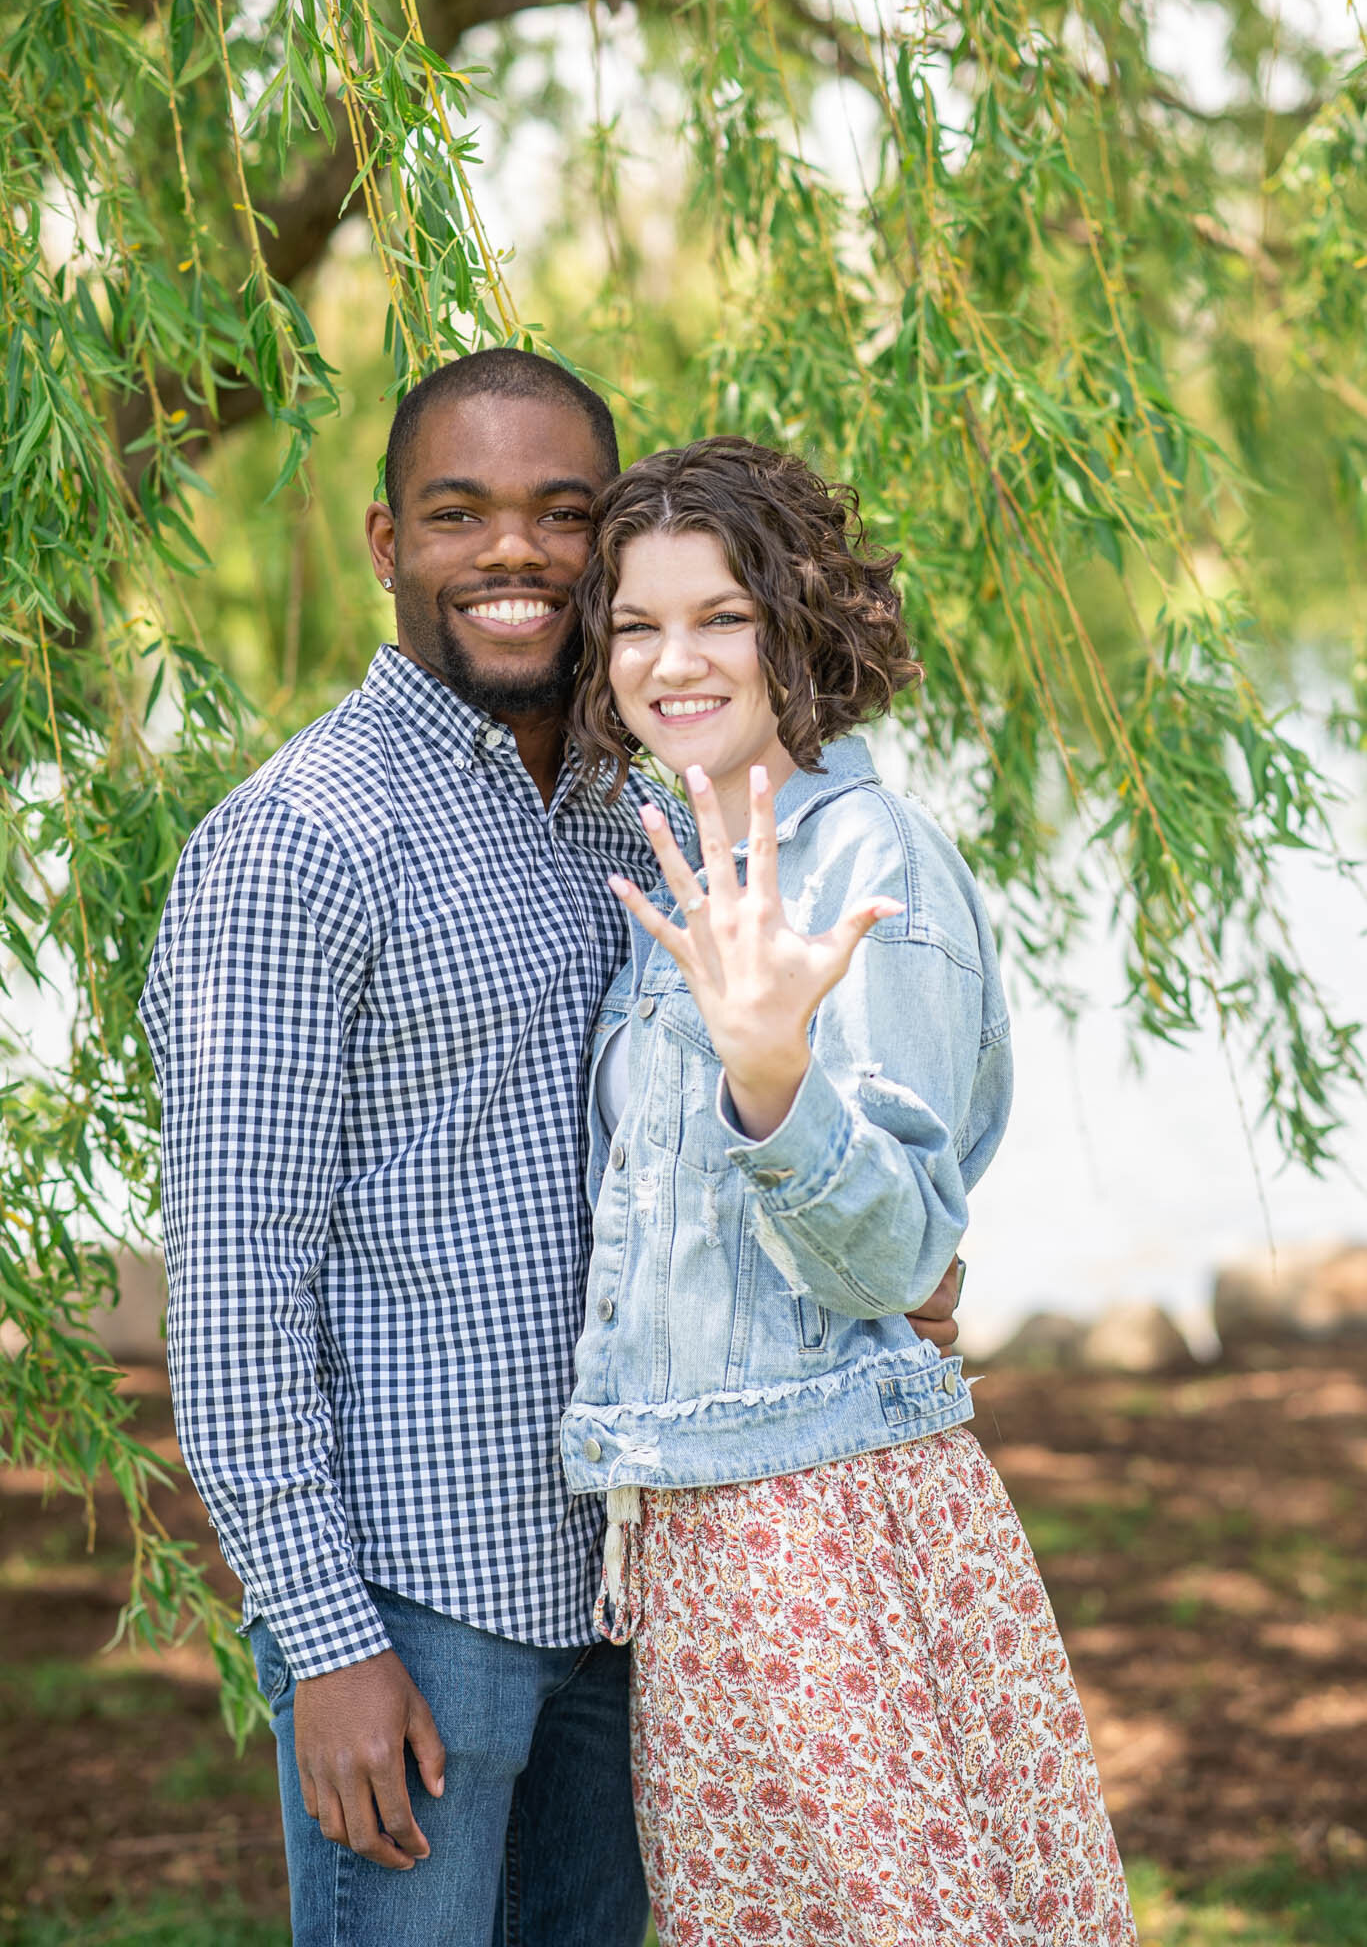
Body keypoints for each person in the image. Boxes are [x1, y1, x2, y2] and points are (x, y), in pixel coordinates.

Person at [138, 351, 961, 1947]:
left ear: (613, 544)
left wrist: (905, 1256)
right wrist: (325, 1646)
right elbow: (237, 1301)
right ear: (388, 543)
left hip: (641, 1582)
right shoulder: (295, 847)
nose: (513, 554)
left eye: (561, 515)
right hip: (422, 1608)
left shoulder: (636, 810)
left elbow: (709, 1133)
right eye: (461, 514)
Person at [561, 436, 1139, 1946]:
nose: (671, 661)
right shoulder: (696, 850)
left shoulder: (866, 864)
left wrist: (772, 1076)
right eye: (635, 624)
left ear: (799, 623)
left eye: (720, 618)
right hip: (702, 1532)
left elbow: (897, 1252)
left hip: (823, 1525)